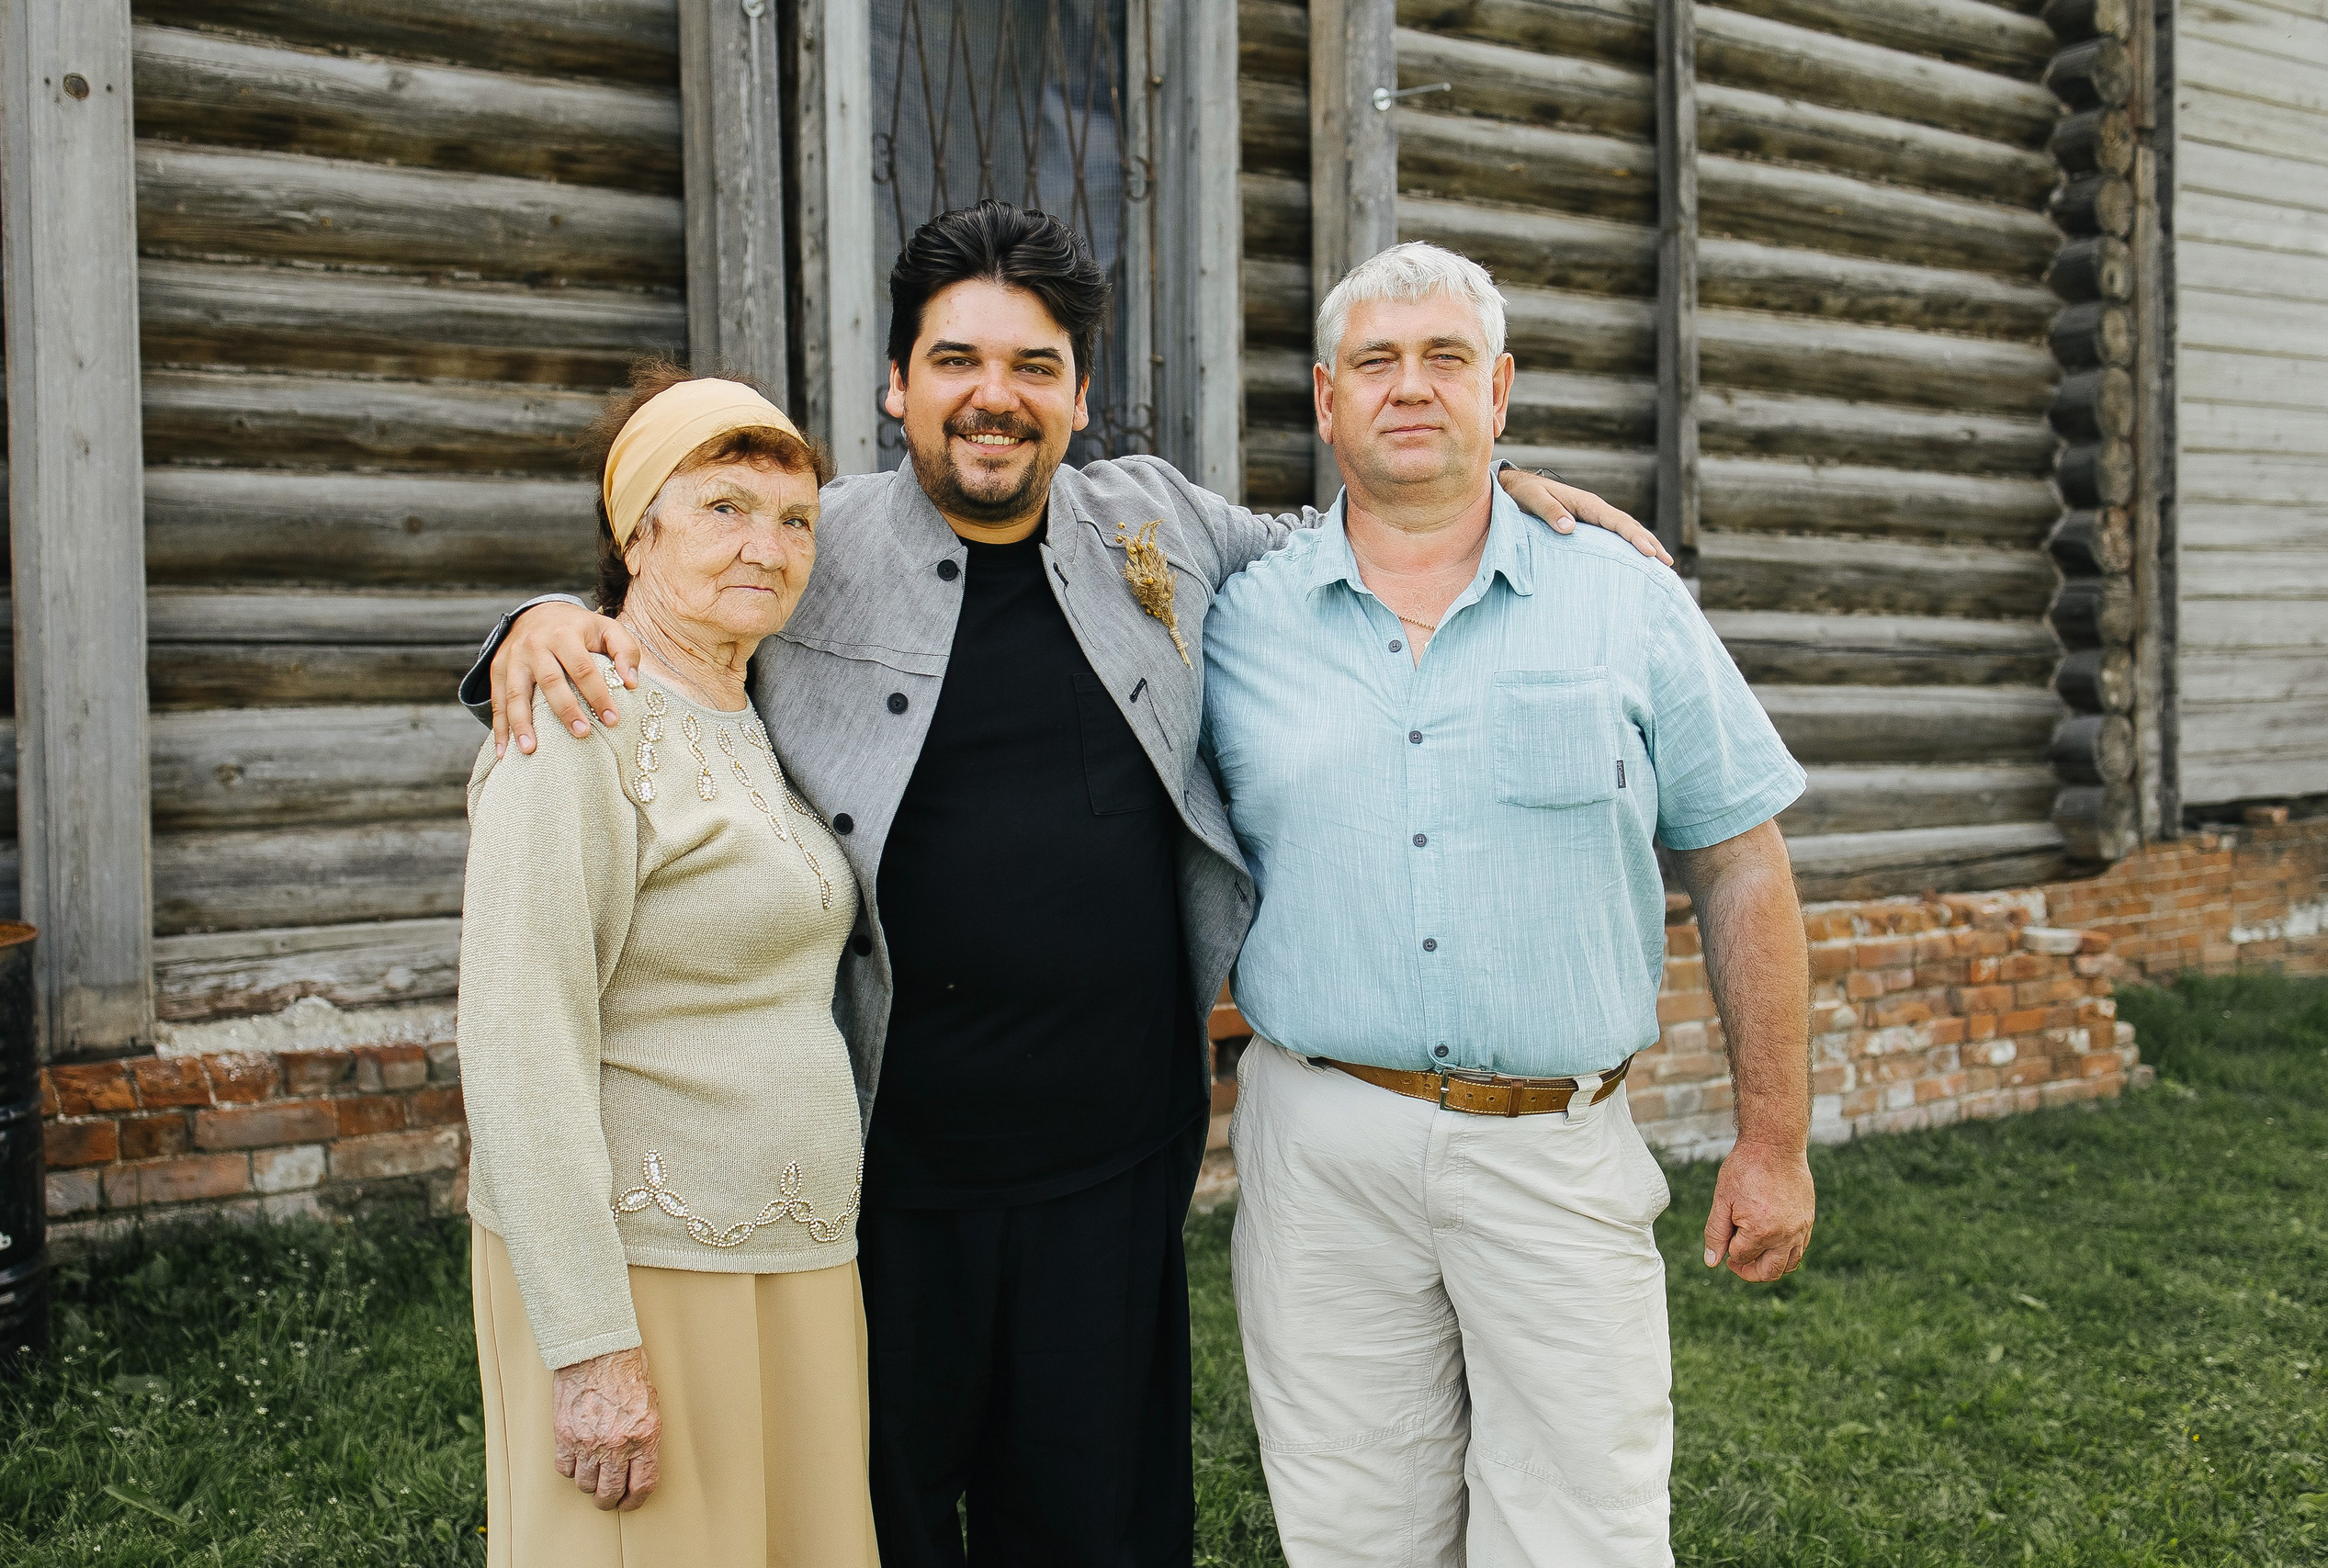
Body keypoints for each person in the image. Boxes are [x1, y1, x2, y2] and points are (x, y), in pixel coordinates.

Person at [462, 202, 1662, 1568]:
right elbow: (661, 588)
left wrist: (1498, 496)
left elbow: (1351, 555)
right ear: (898, 385)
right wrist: (536, 619)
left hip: (1114, 1158)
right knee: (880, 1520)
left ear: (1080, 396)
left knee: (1096, 1526)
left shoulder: (1158, 522)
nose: (995, 397)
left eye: (1035, 366)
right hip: (887, 1171)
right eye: (958, 360)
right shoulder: (814, 535)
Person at [1201, 242, 1816, 1567]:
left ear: (1502, 389)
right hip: (1320, 1144)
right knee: (1353, 1528)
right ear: (1323, 399)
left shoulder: (1624, 601)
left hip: (1554, 1149)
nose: (1408, 389)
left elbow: (1741, 860)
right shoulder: (1234, 617)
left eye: (1445, 360)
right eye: (1376, 362)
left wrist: (1775, 1139)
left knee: (1584, 1533)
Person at [459, 369, 878, 1567]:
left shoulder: (758, 716)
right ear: (637, 533)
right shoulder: (577, 718)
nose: (769, 545)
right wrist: (590, 1342)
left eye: (797, 519)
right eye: (724, 508)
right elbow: (517, 1038)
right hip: (648, 1270)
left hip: (792, 1259)